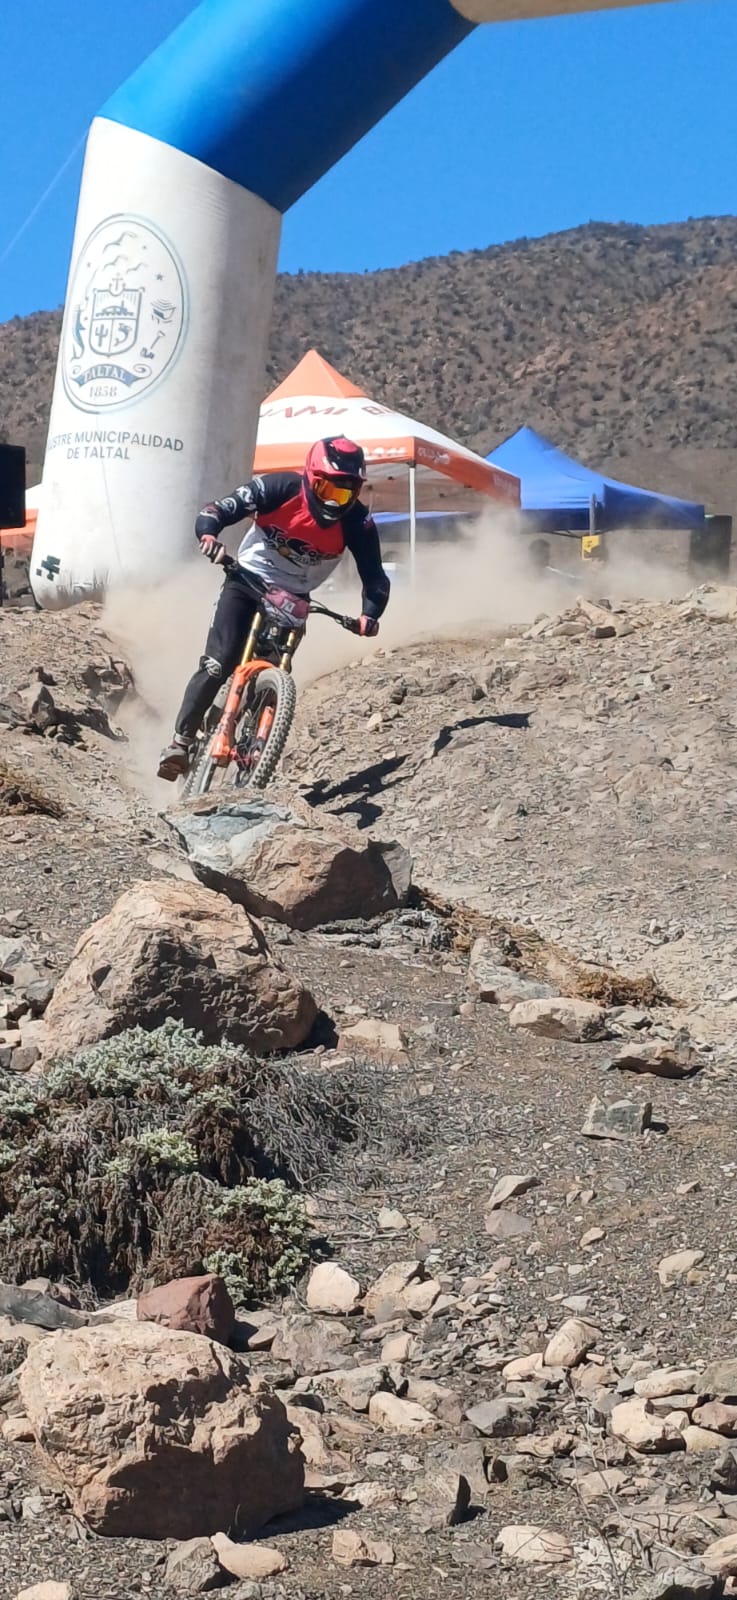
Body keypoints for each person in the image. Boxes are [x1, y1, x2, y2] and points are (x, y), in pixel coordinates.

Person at [158, 436, 391, 779]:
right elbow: (219, 509)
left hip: (294, 600)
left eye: (345, 493)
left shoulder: (358, 523)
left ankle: (261, 733)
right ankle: (180, 742)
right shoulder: (280, 487)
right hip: (246, 581)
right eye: (328, 490)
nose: (335, 501)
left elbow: (376, 577)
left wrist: (370, 614)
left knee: (278, 667)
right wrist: (209, 535)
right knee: (217, 663)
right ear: (310, 478)